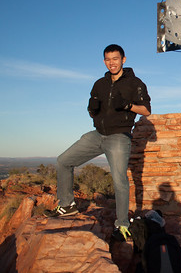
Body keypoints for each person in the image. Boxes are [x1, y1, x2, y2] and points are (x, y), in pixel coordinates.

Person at [44, 44, 151, 242]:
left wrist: (128, 105)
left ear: (123, 60)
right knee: (63, 161)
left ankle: (122, 225)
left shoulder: (135, 83)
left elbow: (146, 110)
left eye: (115, 59)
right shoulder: (99, 84)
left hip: (119, 136)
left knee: (119, 180)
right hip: (98, 134)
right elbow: (93, 109)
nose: (112, 63)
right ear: (104, 61)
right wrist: (91, 109)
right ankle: (67, 205)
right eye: (108, 59)